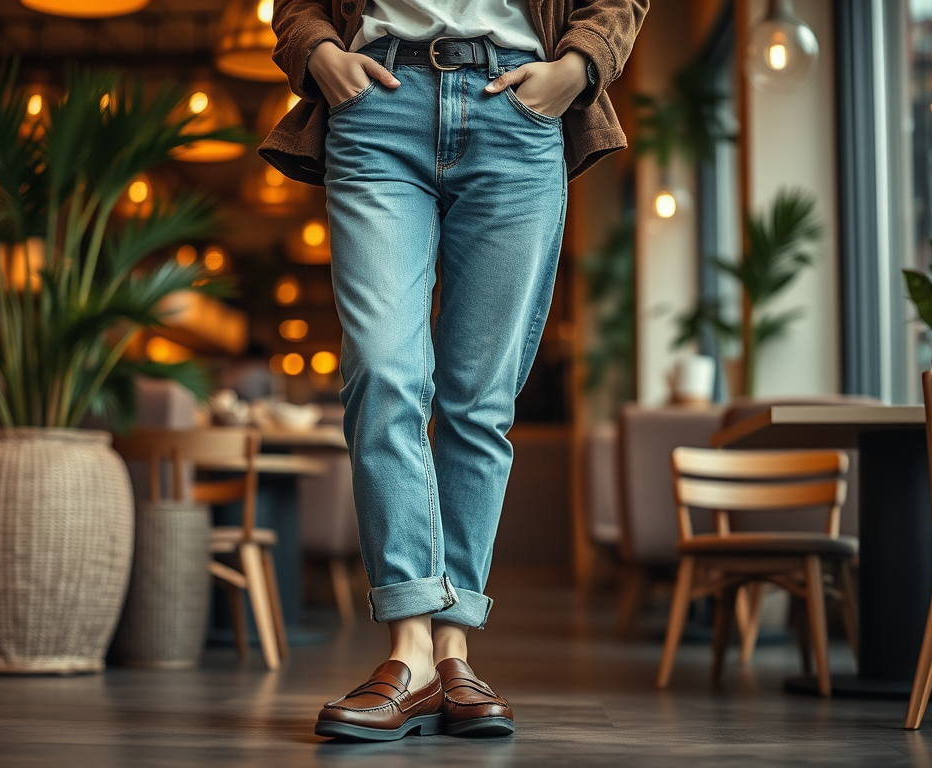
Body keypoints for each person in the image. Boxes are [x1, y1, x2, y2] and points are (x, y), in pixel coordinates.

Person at [261, 0, 648, 742]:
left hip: (518, 110)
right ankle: (409, 651)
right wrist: (317, 53)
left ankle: (453, 648)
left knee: (479, 401)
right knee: (382, 369)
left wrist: (578, 67)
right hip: (380, 103)